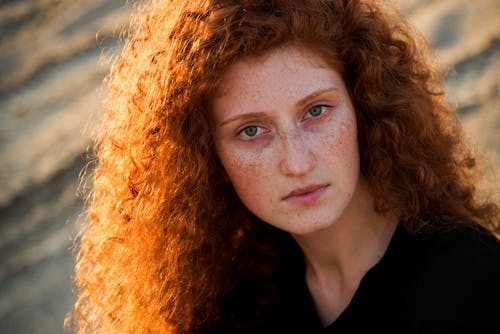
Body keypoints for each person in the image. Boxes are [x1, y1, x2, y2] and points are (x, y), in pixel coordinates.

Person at [67, 0, 500, 333]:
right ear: (203, 158)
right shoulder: (237, 309)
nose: (296, 162)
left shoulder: (470, 282)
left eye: (316, 111)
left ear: (364, 103)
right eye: (251, 131)